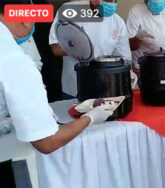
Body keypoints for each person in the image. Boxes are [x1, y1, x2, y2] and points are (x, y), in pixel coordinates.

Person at [0, 0, 114, 154]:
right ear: (26, 20)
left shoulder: (116, 20)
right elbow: (47, 142)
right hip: (73, 85)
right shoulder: (15, 60)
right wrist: (91, 117)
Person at [49, 0, 131, 99]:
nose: (112, 3)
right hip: (74, 87)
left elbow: (123, 59)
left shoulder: (117, 22)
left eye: (114, 0)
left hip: (105, 90)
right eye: (108, 0)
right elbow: (56, 48)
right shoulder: (70, 10)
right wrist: (81, 51)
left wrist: (128, 73)